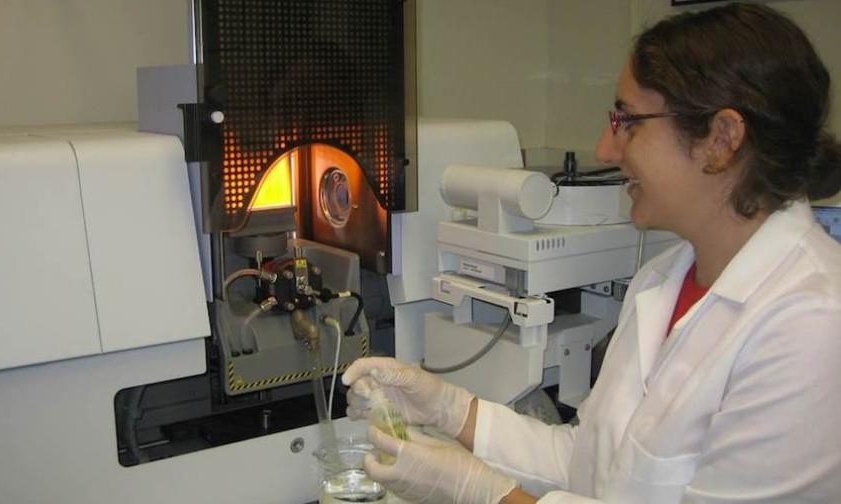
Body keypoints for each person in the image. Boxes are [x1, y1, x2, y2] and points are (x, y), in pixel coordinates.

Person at [341, 3, 841, 503]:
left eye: (628, 121)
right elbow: (587, 461)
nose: (605, 149)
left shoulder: (811, 325)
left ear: (721, 139)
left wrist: (478, 492)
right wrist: (450, 409)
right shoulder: (663, 279)